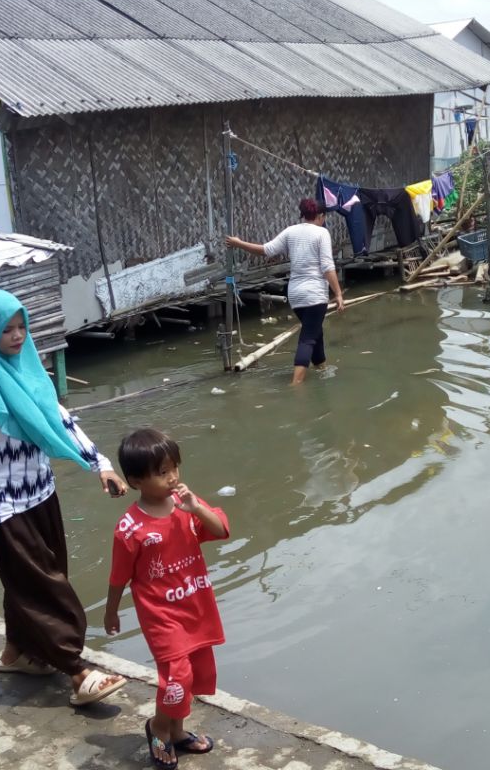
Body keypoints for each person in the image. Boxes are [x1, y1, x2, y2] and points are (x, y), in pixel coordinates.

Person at [0, 289, 130, 707]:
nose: (17, 336)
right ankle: (77, 671)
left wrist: (100, 464)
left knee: (30, 578)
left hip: (41, 495)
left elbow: (62, 421)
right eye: (6, 329)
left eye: (21, 326)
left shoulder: (30, 374)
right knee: (45, 585)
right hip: (4, 507)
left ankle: (17, 653)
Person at [104, 429, 229, 770]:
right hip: (162, 615)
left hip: (195, 606)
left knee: (196, 671)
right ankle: (158, 727)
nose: (173, 477)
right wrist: (111, 612)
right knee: (178, 677)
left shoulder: (187, 503)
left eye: (174, 467)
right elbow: (119, 577)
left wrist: (196, 509)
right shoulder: (130, 528)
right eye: (161, 472)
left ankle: (177, 730)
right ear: (135, 480)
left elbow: (219, 529)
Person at [225, 198, 346, 384]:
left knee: (314, 333)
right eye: (324, 217)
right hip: (314, 295)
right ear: (321, 216)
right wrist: (338, 293)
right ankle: (296, 384)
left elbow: (265, 250)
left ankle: (322, 368)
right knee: (308, 338)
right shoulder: (322, 233)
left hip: (296, 295)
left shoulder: (291, 231)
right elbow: (327, 266)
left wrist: (239, 243)